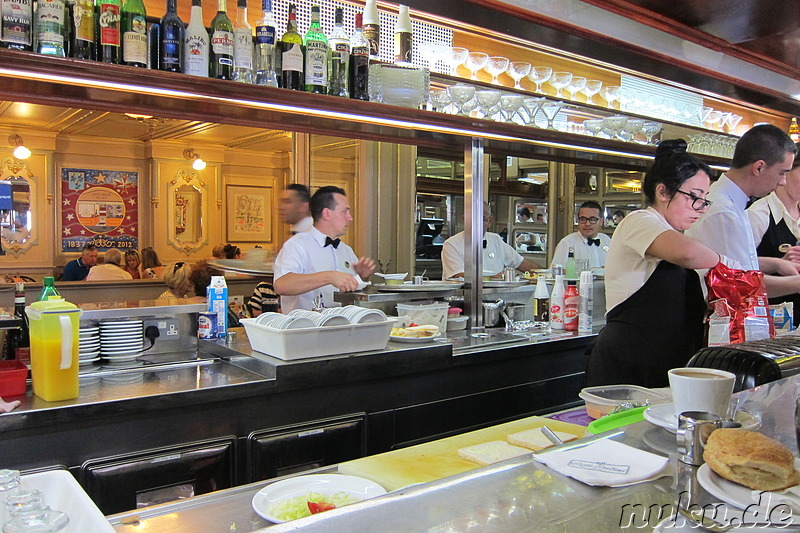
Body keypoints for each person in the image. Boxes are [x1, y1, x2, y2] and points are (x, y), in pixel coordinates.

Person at [587, 140, 732, 388]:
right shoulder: (639, 221)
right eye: (695, 198)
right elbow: (689, 254)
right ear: (662, 192)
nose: (701, 209)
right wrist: (729, 264)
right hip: (628, 363)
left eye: (705, 199)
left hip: (667, 364)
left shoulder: (672, 235)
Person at [686, 124, 800, 297]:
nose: (782, 181)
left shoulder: (732, 203)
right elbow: (739, 283)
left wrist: (776, 264)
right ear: (759, 168)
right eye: (782, 173)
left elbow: (734, 263)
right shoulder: (723, 211)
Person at [273, 186, 376, 312]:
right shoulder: (297, 245)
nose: (350, 218)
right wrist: (330, 276)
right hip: (305, 329)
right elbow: (282, 285)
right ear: (327, 213)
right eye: (345, 211)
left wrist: (361, 276)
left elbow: (354, 294)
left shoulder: (346, 250)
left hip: (342, 327)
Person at [748, 144, 800, 324]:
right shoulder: (759, 213)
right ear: (785, 173)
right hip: (766, 319)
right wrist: (778, 263)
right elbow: (737, 266)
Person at [441, 203, 541, 280]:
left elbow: (521, 262)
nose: (476, 223)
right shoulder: (451, 244)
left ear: (490, 222)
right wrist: (493, 278)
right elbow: (458, 276)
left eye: (482, 219)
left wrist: (544, 274)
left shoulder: (495, 239)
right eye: (472, 218)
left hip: (496, 298)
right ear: (464, 220)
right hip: (464, 301)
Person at [550, 201, 611, 269]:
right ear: (578, 220)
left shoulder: (606, 240)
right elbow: (555, 272)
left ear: (601, 221)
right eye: (583, 219)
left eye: (593, 219)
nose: (587, 224)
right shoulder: (567, 243)